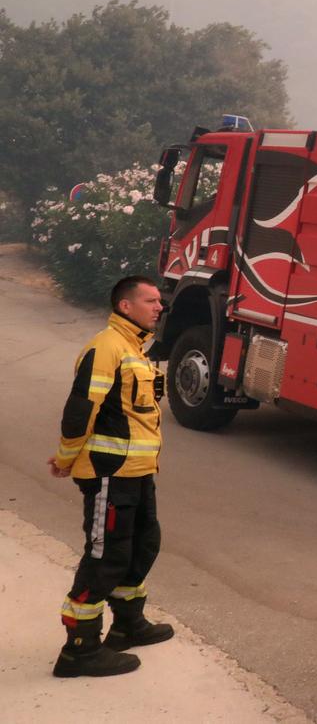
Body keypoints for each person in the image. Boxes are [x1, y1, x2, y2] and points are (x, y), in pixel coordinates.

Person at [47, 275, 173, 678]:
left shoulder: (135, 349)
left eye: (159, 301)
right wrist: (66, 458)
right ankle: (79, 650)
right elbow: (80, 409)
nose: (159, 307)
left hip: (137, 473)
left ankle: (127, 625)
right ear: (125, 306)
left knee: (142, 546)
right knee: (106, 557)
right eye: (151, 301)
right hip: (109, 473)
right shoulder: (106, 347)